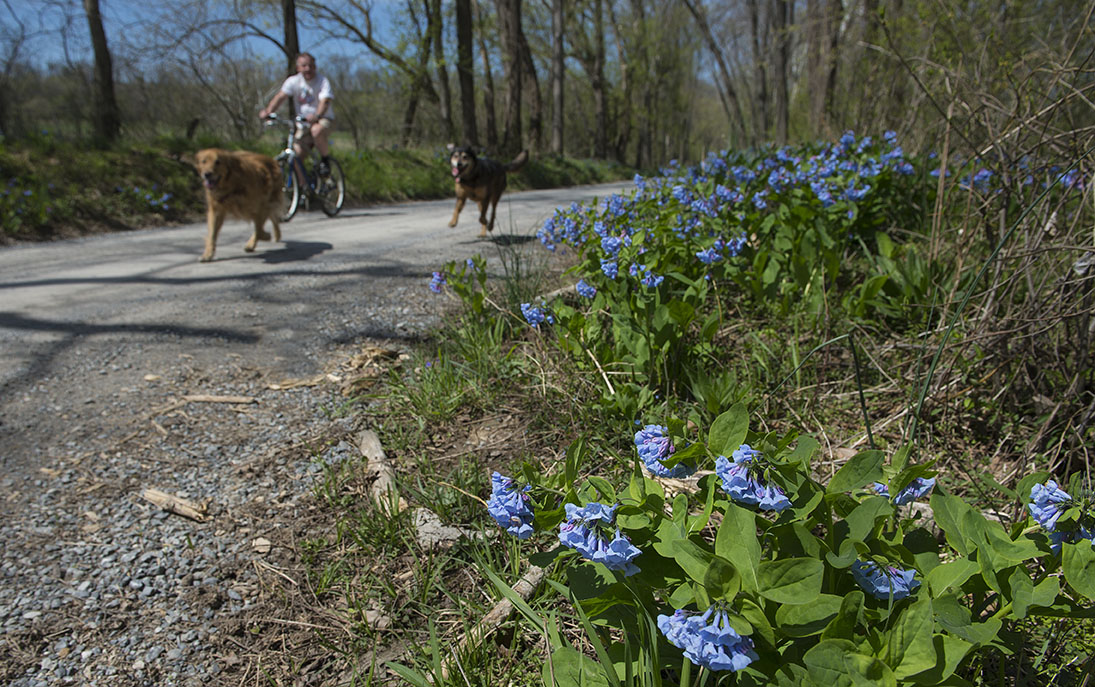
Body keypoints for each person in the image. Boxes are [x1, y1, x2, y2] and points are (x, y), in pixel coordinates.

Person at [259, 52, 335, 175]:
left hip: (323, 119)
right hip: (303, 123)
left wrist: (317, 116)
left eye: (311, 65)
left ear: (315, 66)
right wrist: (268, 111)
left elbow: (325, 101)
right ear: (298, 68)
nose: (308, 69)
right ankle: (303, 187)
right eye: (304, 66)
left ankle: (325, 160)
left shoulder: (322, 81)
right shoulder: (293, 81)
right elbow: (280, 97)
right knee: (295, 156)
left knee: (316, 131)